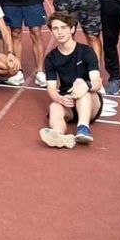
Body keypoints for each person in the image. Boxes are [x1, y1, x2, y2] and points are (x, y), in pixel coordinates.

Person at [38, 11, 104, 149]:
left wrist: (86, 85)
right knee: (54, 106)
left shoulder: (86, 52)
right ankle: (58, 135)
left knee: (80, 85)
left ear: (72, 29)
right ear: (52, 32)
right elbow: (51, 88)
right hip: (69, 102)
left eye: (63, 27)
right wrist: (59, 99)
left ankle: (83, 128)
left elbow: (97, 83)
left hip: (90, 100)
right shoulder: (51, 58)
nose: (60, 32)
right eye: (55, 29)